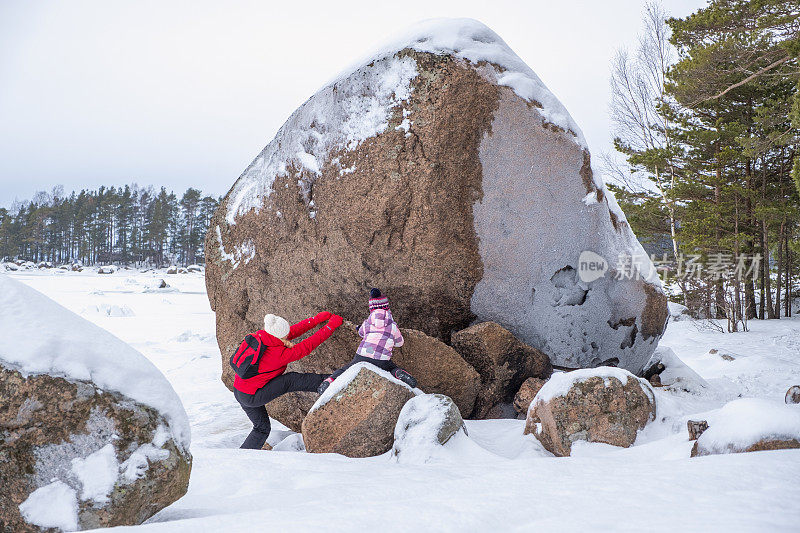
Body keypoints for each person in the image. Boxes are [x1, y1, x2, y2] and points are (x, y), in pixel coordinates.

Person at [233, 311, 342, 450]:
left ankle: (243, 456)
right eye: (286, 333)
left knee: (261, 428)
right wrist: (330, 326)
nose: (289, 334)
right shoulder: (277, 354)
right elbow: (307, 346)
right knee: (290, 380)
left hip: (239, 390)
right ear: (280, 335)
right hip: (252, 396)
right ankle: (329, 381)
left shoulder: (262, 337)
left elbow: (293, 331)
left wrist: (317, 319)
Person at [318, 288, 416, 395]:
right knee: (390, 368)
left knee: (346, 369)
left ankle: (330, 380)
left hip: (362, 355)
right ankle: (398, 373)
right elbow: (400, 343)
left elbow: (361, 333)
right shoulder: (393, 326)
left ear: (371, 309)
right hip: (381, 359)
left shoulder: (367, 323)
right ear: (387, 308)